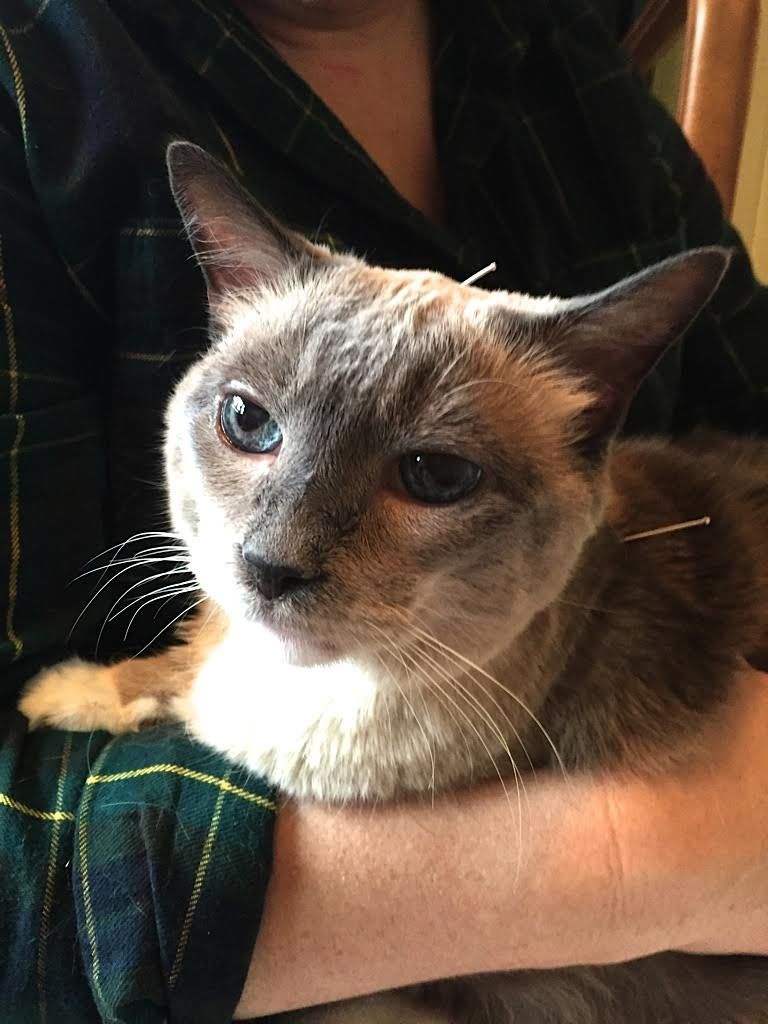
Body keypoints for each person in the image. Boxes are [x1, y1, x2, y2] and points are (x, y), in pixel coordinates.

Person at [0, 0, 765, 1020]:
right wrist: (649, 855)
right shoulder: (30, 72)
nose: (277, 549)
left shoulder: (559, 55)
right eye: (248, 422)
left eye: (433, 475)